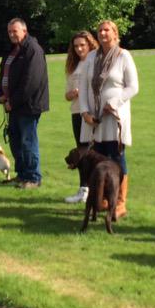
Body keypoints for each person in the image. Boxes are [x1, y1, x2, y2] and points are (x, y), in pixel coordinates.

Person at [78, 20, 138, 218]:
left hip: (114, 117)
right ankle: (102, 199)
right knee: (97, 159)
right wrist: (85, 112)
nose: (103, 33)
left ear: (115, 33)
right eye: (100, 30)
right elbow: (84, 87)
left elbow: (133, 87)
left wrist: (115, 101)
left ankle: (120, 203)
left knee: (117, 159)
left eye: (107, 30)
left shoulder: (123, 56)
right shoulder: (91, 57)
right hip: (93, 119)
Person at [0, 18, 49, 189]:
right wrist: (0, 94)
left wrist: (13, 101)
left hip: (28, 106)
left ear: (24, 31)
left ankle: (33, 178)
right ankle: (22, 174)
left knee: (28, 141)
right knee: (15, 141)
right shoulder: (12, 50)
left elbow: (31, 82)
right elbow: (3, 74)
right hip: (13, 106)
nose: (12, 34)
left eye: (15, 31)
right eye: (9, 31)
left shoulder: (33, 50)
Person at [63, 30, 98, 204]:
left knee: (95, 153)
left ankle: (96, 191)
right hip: (76, 112)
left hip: (92, 114)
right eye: (75, 46)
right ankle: (83, 189)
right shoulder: (73, 66)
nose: (79, 49)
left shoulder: (96, 62)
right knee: (81, 152)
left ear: (90, 45)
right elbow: (66, 96)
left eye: (82, 45)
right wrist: (73, 93)